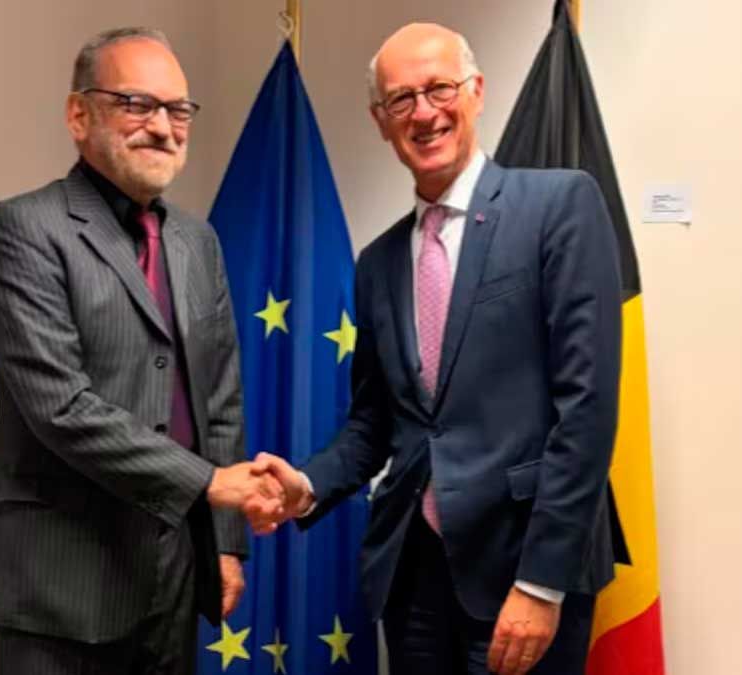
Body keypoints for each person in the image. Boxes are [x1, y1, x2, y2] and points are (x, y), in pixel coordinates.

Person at [250, 22, 624, 675]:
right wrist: (306, 484)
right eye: (401, 99)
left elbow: (586, 412)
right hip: (413, 579)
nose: (423, 113)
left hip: (522, 573)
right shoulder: (378, 263)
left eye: (439, 89)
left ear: (475, 91)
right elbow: (375, 425)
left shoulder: (558, 206)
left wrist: (541, 583)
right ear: (381, 120)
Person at [0, 27, 281, 675]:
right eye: (137, 104)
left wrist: (225, 544)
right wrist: (210, 483)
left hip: (174, 573)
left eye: (178, 110)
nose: (162, 126)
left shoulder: (198, 241)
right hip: (60, 584)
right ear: (79, 115)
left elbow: (219, 399)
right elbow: (61, 407)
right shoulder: (21, 229)